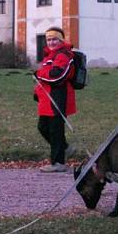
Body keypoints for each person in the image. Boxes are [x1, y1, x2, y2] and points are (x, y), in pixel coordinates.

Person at [34, 26, 77, 173]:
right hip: (47, 100)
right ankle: (65, 148)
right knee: (43, 127)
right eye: (48, 40)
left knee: (55, 131)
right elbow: (46, 76)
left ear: (61, 40)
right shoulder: (50, 55)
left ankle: (58, 162)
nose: (51, 42)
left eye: (54, 39)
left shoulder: (63, 55)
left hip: (58, 99)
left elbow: (58, 75)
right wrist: (37, 92)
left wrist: (39, 73)